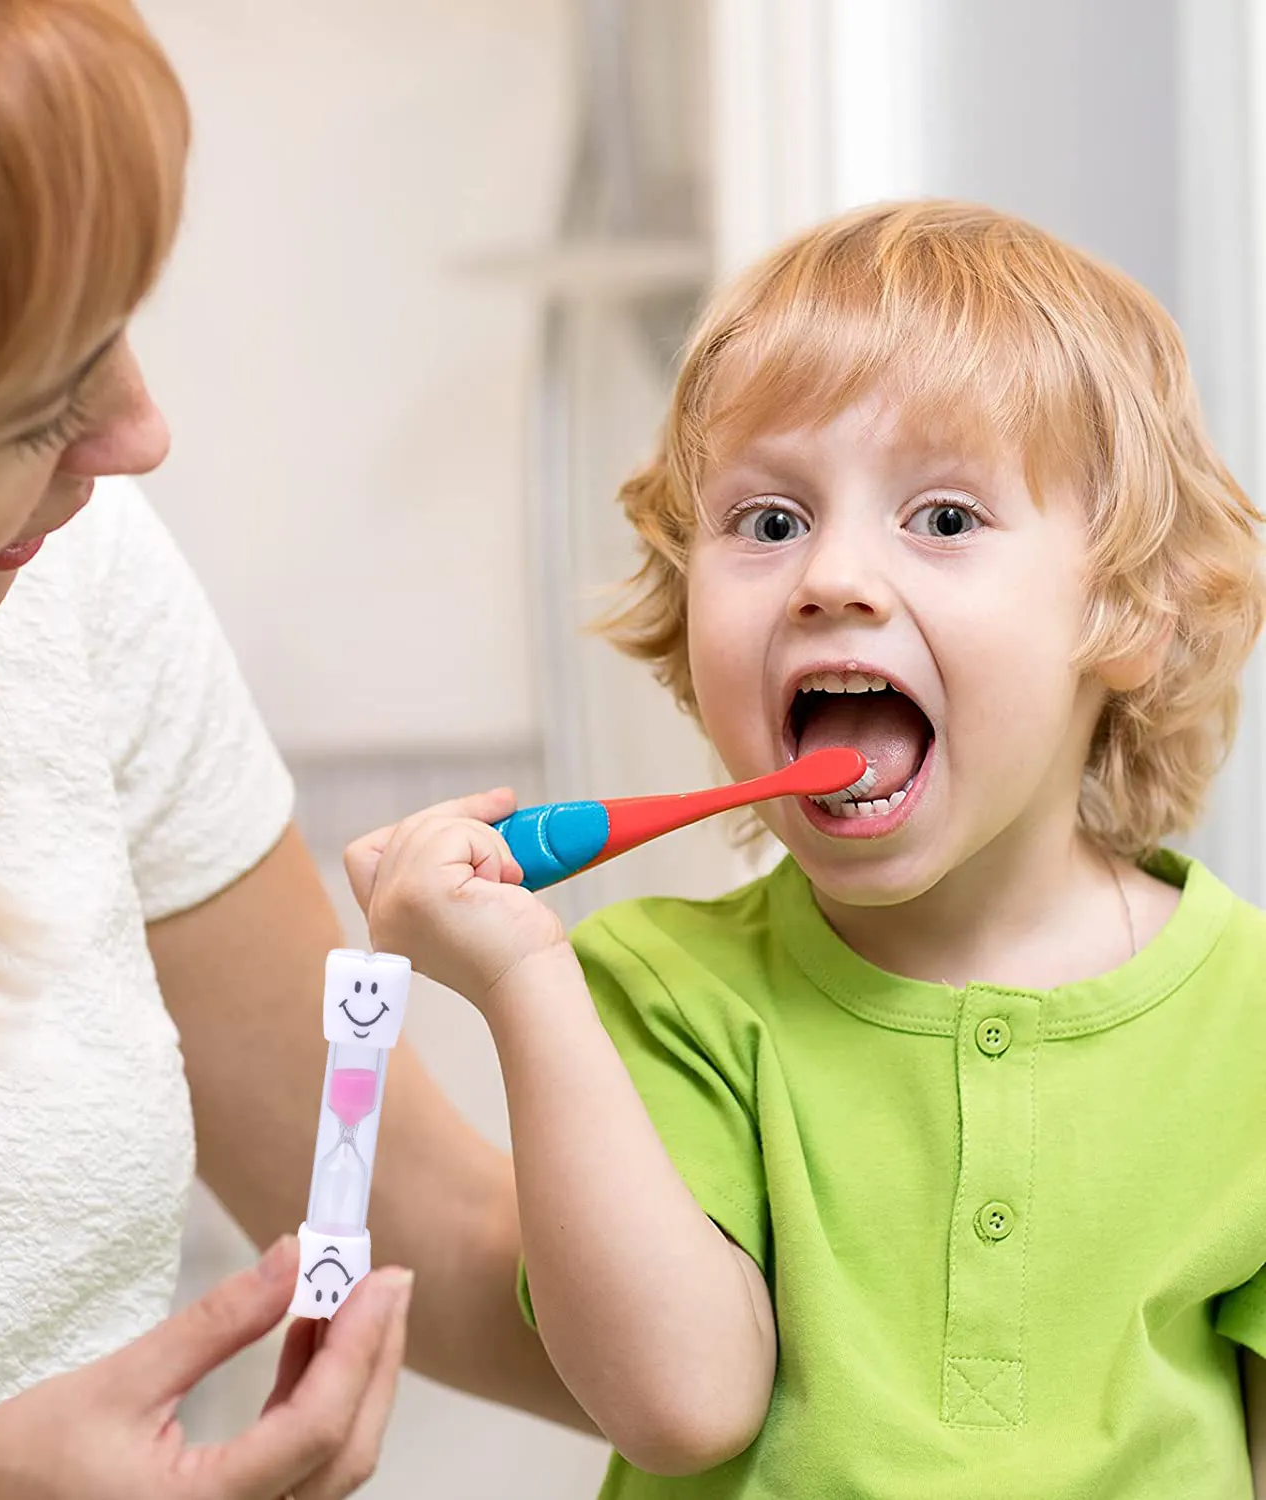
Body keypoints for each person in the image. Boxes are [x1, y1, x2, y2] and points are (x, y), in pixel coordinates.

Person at [0, 2, 581, 1496]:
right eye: (31, 398)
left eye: (115, 324)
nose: (140, 432)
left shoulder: (58, 574)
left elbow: (429, 1227)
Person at [348, 200, 1266, 1497]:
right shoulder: (664, 994)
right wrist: (520, 982)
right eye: (770, 523)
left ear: (1130, 609)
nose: (833, 576)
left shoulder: (1250, 1024)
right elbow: (682, 1405)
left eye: (943, 519)